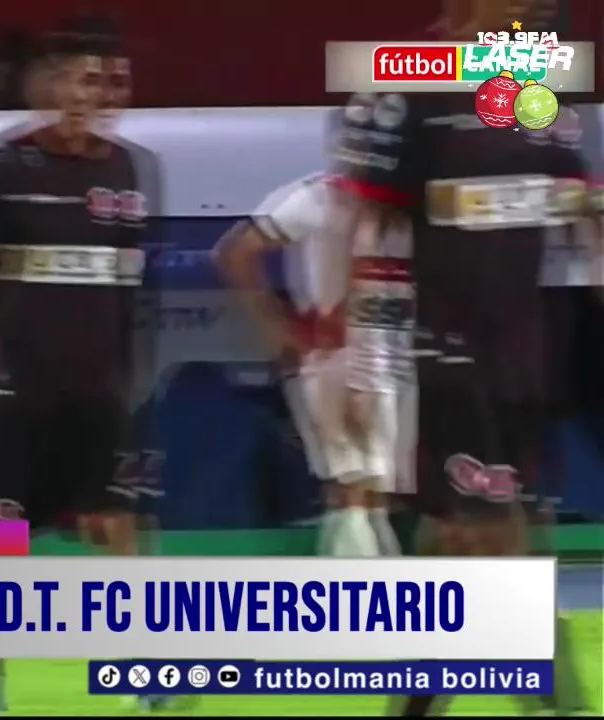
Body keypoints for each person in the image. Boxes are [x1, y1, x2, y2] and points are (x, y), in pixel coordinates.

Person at [327, 1, 592, 714]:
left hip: (525, 351)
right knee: (480, 530)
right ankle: (546, 692)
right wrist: (361, 353)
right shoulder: (405, 89)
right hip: (447, 345)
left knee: (484, 528)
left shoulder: (539, 87)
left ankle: (453, 695)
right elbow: (371, 227)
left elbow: (578, 202)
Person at [0, 32, 151, 711]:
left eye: (103, 83)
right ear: (46, 89)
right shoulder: (0, 168)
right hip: (18, 389)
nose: (90, 97)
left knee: (119, 523)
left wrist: (127, 371)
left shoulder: (129, 169)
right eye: (78, 80)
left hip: (98, 388)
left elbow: (129, 285)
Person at [215, 163, 408, 559]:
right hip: (334, 357)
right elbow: (234, 252)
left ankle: (372, 581)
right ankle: (354, 588)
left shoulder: (412, 199)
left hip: (400, 358)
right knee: (350, 489)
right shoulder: (317, 196)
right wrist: (276, 325)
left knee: (376, 493)